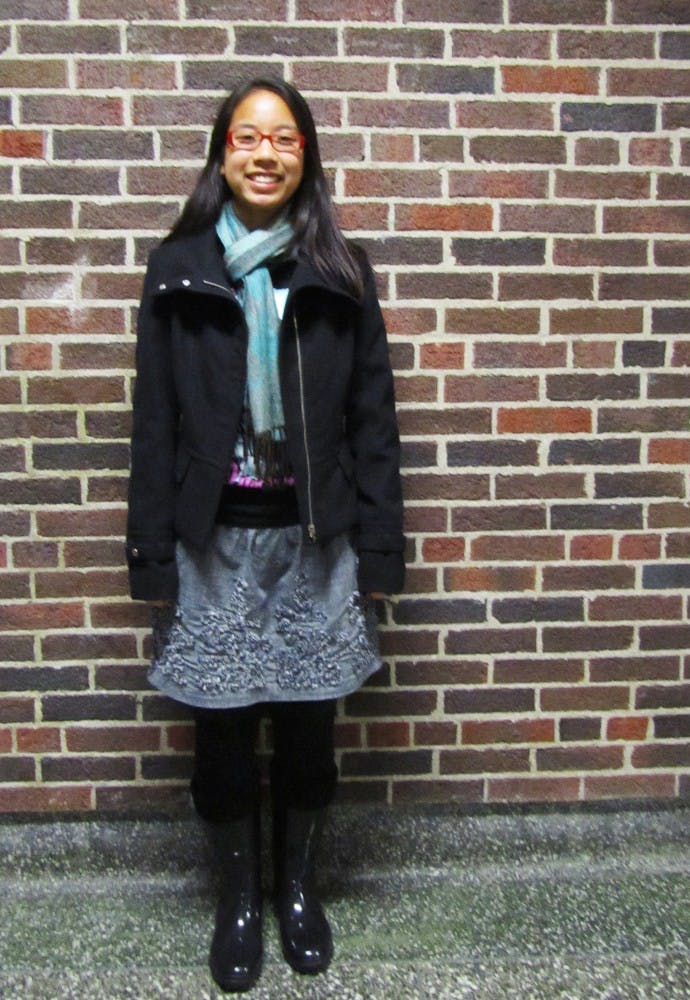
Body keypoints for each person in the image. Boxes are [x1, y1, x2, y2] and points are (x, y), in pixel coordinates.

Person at [126, 76, 405, 993]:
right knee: (221, 738)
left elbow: (373, 421)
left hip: (315, 543)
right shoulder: (178, 270)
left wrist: (381, 549)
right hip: (213, 543)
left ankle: (297, 892)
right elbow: (154, 422)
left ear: (305, 158)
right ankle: (239, 901)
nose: (264, 153)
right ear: (221, 156)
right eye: (246, 137)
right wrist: (152, 555)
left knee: (309, 732)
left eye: (283, 138)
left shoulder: (339, 269)